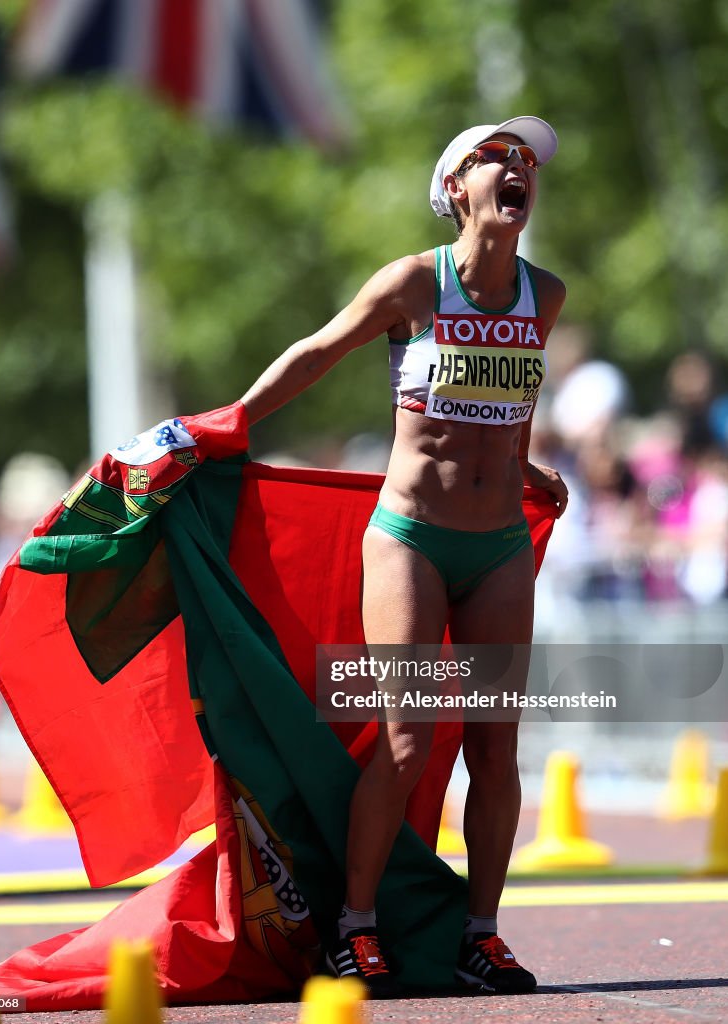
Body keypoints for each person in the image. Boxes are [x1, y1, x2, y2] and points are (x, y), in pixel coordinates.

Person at [238, 115, 568, 996]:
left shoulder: (548, 295)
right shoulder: (415, 284)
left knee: (496, 751)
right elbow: (316, 353)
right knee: (407, 734)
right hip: (410, 539)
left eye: (525, 159)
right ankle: (355, 926)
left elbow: (510, 402)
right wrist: (232, 421)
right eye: (495, 157)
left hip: (496, 547)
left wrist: (527, 464)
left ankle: (481, 933)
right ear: (454, 189)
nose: (516, 167)